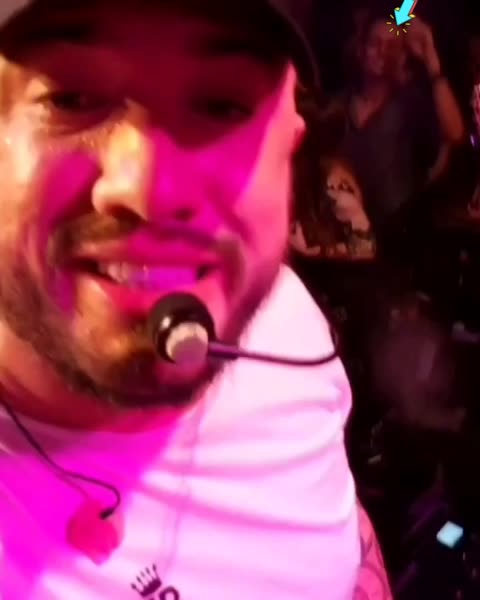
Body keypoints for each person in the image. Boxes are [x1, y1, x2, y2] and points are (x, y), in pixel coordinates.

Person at [0, 1, 391, 598]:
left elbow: (334, 525)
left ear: (291, 145)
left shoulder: (282, 320)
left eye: (222, 106)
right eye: (70, 99)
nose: (145, 190)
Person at [340, 9, 465, 239]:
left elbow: (455, 133)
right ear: (361, 50)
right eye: (375, 43)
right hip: (346, 238)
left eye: (391, 46)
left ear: (402, 57)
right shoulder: (339, 106)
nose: (382, 51)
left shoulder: (409, 104)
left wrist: (432, 62)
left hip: (397, 238)